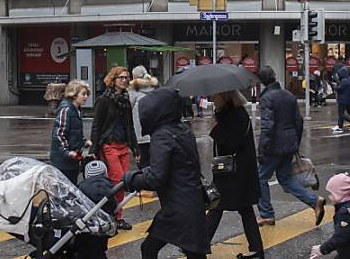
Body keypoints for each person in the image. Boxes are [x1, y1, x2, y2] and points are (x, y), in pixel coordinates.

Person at [123, 88, 210, 259]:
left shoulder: (161, 136)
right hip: (191, 201)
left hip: (177, 206)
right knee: (192, 252)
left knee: (149, 249)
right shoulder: (183, 130)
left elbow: (156, 178)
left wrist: (131, 179)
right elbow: (177, 164)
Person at [256, 66, 326, 227]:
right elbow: (299, 122)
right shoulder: (289, 95)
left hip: (274, 146)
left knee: (260, 178)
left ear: (262, 81)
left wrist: (262, 149)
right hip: (289, 145)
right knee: (285, 178)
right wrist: (295, 144)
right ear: (274, 76)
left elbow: (268, 126)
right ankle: (315, 201)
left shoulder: (267, 98)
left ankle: (266, 214)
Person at [205, 90, 264, 259]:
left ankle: (199, 244)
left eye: (215, 96)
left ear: (224, 96)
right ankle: (257, 249)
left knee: (217, 205)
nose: (213, 99)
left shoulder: (236, 114)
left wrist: (214, 128)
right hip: (238, 172)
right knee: (244, 208)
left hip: (235, 172)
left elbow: (231, 144)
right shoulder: (230, 112)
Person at [90, 66, 137, 230]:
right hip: (109, 145)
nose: (124, 80)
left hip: (124, 145)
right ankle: (111, 215)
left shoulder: (125, 99)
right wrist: (93, 149)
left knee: (123, 182)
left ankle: (118, 216)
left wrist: (135, 149)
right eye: (121, 78)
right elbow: (96, 126)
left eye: (126, 77)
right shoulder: (104, 100)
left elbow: (130, 125)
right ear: (113, 80)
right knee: (117, 180)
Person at [50, 80, 91, 184]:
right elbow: (58, 134)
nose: (86, 97)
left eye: (87, 94)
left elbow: (74, 133)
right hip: (62, 162)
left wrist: (84, 142)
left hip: (72, 161)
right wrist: (67, 152)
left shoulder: (77, 110)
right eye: (83, 94)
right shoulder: (66, 109)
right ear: (74, 94)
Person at [73, 160, 116, 259]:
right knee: (99, 251)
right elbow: (114, 205)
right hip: (104, 228)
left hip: (85, 228)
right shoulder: (110, 186)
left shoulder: (81, 187)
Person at [129, 65, 159, 169]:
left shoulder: (133, 90)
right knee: (153, 161)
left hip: (140, 133)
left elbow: (128, 107)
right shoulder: (155, 88)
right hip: (154, 132)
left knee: (142, 162)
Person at [333, 65, 350, 133]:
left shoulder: (344, 81)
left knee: (341, 114)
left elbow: (339, 89)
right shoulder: (349, 79)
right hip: (349, 99)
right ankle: (340, 126)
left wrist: (335, 86)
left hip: (343, 99)